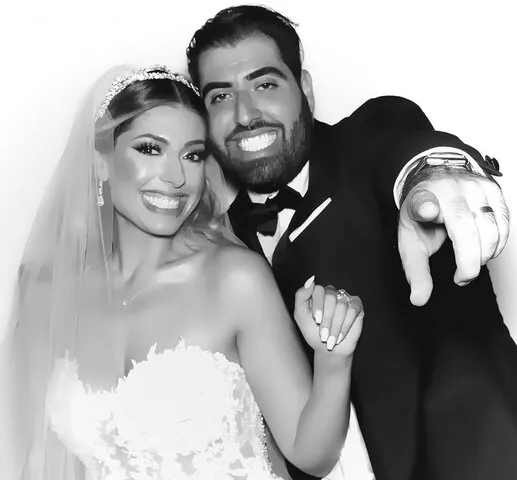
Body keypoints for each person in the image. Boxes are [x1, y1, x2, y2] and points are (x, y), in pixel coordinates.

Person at [186, 6, 517, 480]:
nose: (244, 114)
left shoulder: (361, 145)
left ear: (305, 89)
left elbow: (400, 141)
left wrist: (433, 173)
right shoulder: (219, 239)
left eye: (266, 85)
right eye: (221, 96)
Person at [0, 65, 365, 480]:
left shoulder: (234, 280)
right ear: (101, 162)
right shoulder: (48, 292)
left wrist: (334, 359)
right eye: (150, 149)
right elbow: (37, 457)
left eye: (192, 155)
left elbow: (310, 455)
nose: (176, 178)